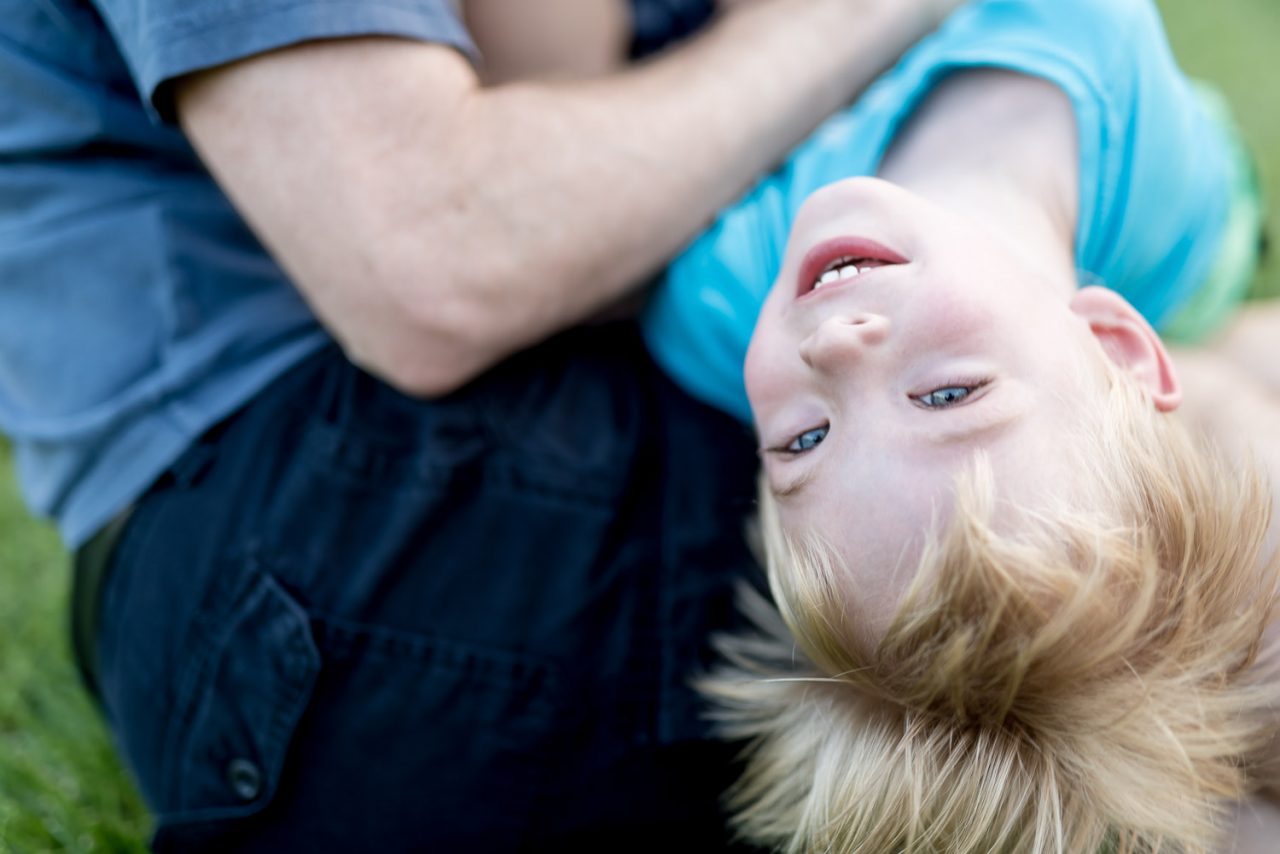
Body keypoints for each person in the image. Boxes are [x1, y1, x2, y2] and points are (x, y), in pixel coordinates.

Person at [0, 0, 966, 849]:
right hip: (341, 491)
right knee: (990, 542)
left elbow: (567, 135)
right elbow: (436, 255)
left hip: (412, 453)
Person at [639, 0, 1280, 849]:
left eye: (805, 442)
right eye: (947, 397)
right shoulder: (1108, 81)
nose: (834, 347)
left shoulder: (710, 300)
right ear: (1118, 346)